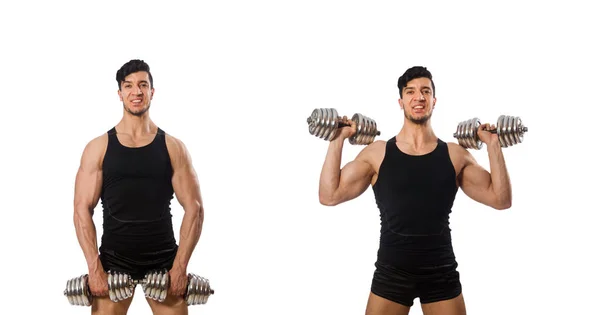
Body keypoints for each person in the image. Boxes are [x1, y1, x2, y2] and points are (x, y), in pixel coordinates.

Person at [318, 66, 512, 315]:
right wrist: (338, 139)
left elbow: (500, 199)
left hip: (440, 271)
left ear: (434, 100)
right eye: (410, 92)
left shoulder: (455, 155)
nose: (418, 97)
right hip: (392, 272)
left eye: (425, 91)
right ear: (401, 101)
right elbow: (329, 195)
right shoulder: (377, 154)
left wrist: (494, 145)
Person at [72, 59, 204, 315]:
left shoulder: (173, 147)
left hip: (164, 260)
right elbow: (81, 210)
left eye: (143, 85)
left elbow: (195, 209)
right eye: (129, 86)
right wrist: (94, 270)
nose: (137, 92)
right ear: (119, 93)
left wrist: (179, 269)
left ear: (152, 92)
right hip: (114, 262)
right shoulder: (98, 148)